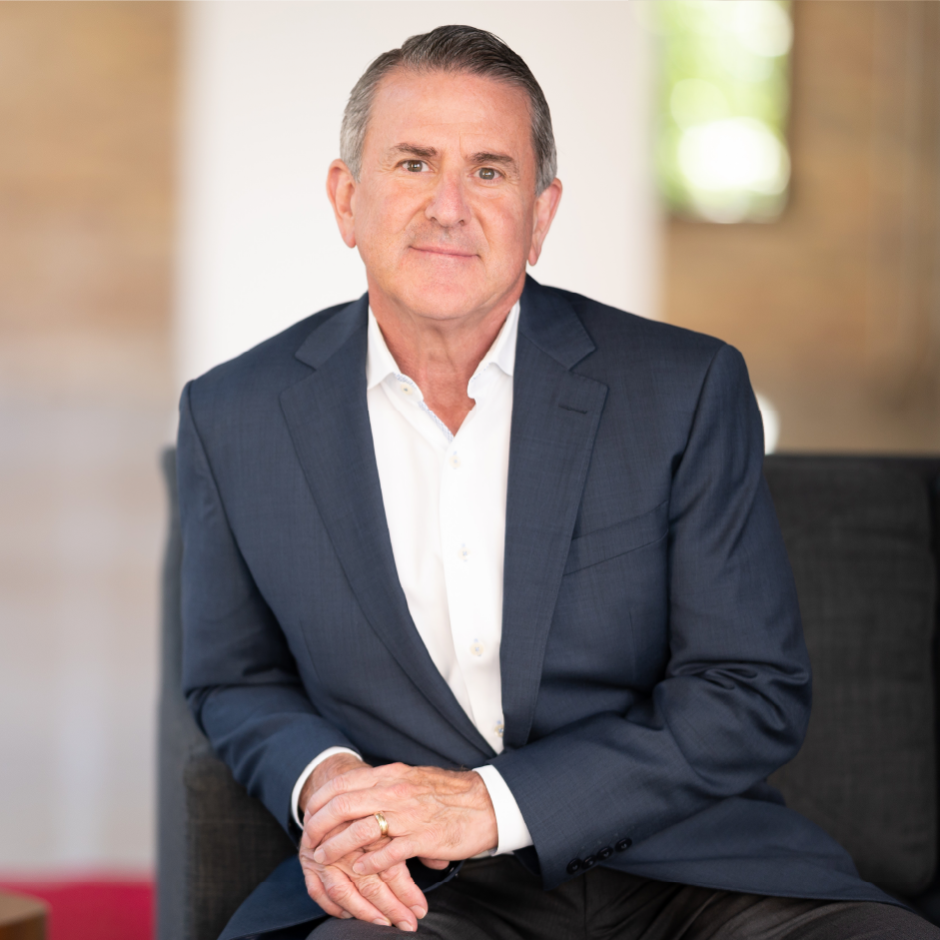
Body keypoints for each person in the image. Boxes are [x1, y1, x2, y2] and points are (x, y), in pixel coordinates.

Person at [177, 25, 938, 940]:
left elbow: (749, 689)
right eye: (413, 163)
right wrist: (332, 784)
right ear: (347, 201)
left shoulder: (684, 389)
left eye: (491, 171)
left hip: (688, 867)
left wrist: (491, 805)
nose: (449, 206)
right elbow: (235, 677)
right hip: (420, 889)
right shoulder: (234, 415)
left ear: (541, 216)